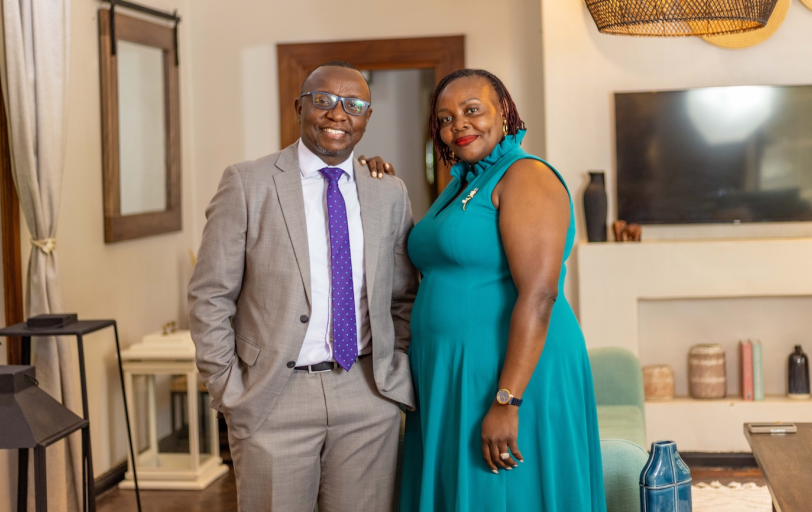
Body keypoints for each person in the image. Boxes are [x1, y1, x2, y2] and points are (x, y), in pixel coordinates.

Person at [366, 68, 606, 511]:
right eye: (444, 118)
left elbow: (540, 295)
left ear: (505, 113)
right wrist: (370, 182)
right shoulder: (460, 182)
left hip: (508, 374)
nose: (458, 124)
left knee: (506, 495)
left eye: (472, 110)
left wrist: (507, 400)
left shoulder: (525, 175)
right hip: (452, 375)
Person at [188, 61, 417, 512]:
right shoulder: (247, 183)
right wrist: (228, 389)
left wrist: (396, 369)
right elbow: (209, 296)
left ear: (367, 118)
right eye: (323, 101)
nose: (337, 114)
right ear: (300, 107)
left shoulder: (389, 192)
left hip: (367, 395)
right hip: (273, 396)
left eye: (353, 105)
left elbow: (402, 296)